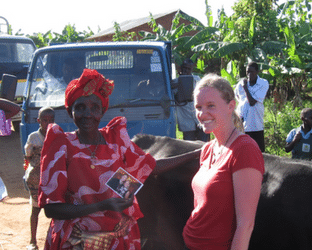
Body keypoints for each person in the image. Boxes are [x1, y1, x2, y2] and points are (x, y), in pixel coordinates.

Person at [38, 68, 200, 249]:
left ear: (102, 110)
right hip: (76, 241)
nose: (88, 114)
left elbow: (150, 166)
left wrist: (195, 153)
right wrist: (102, 205)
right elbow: (51, 209)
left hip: (118, 240)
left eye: (94, 107)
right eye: (80, 107)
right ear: (70, 111)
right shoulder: (60, 145)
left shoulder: (115, 141)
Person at [182, 74, 265, 250]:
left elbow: (246, 225)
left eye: (211, 106)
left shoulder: (244, 149)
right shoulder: (208, 149)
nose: (202, 114)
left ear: (231, 106)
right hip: (190, 242)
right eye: (198, 107)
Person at [24, 107, 55, 250]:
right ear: (38, 121)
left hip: (53, 178)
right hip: (36, 179)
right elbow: (28, 155)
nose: (48, 123)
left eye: (51, 120)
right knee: (35, 210)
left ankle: (55, 240)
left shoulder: (57, 135)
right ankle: (32, 241)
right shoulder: (33, 137)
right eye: (44, 120)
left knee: (55, 210)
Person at [235, 61, 269, 152]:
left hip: (256, 125)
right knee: (244, 151)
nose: (249, 74)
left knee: (259, 152)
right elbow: (239, 100)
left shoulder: (263, 83)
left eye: (252, 72)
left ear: (257, 72)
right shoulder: (240, 85)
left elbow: (252, 102)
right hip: (243, 126)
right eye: (247, 72)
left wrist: (245, 87)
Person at [176, 59, 209, 142]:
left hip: (200, 120)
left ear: (191, 69)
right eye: (184, 68)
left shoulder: (198, 80)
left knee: (203, 144)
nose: (186, 71)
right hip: (186, 122)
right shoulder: (175, 82)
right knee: (189, 146)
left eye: (188, 69)